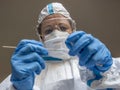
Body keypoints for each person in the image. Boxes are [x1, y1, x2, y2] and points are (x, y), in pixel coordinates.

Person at [0, 2, 120, 90]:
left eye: (63, 28)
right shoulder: (26, 73)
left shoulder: (94, 64)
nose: (56, 33)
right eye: (48, 31)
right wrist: (17, 88)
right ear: (41, 38)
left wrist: (106, 71)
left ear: (72, 31)